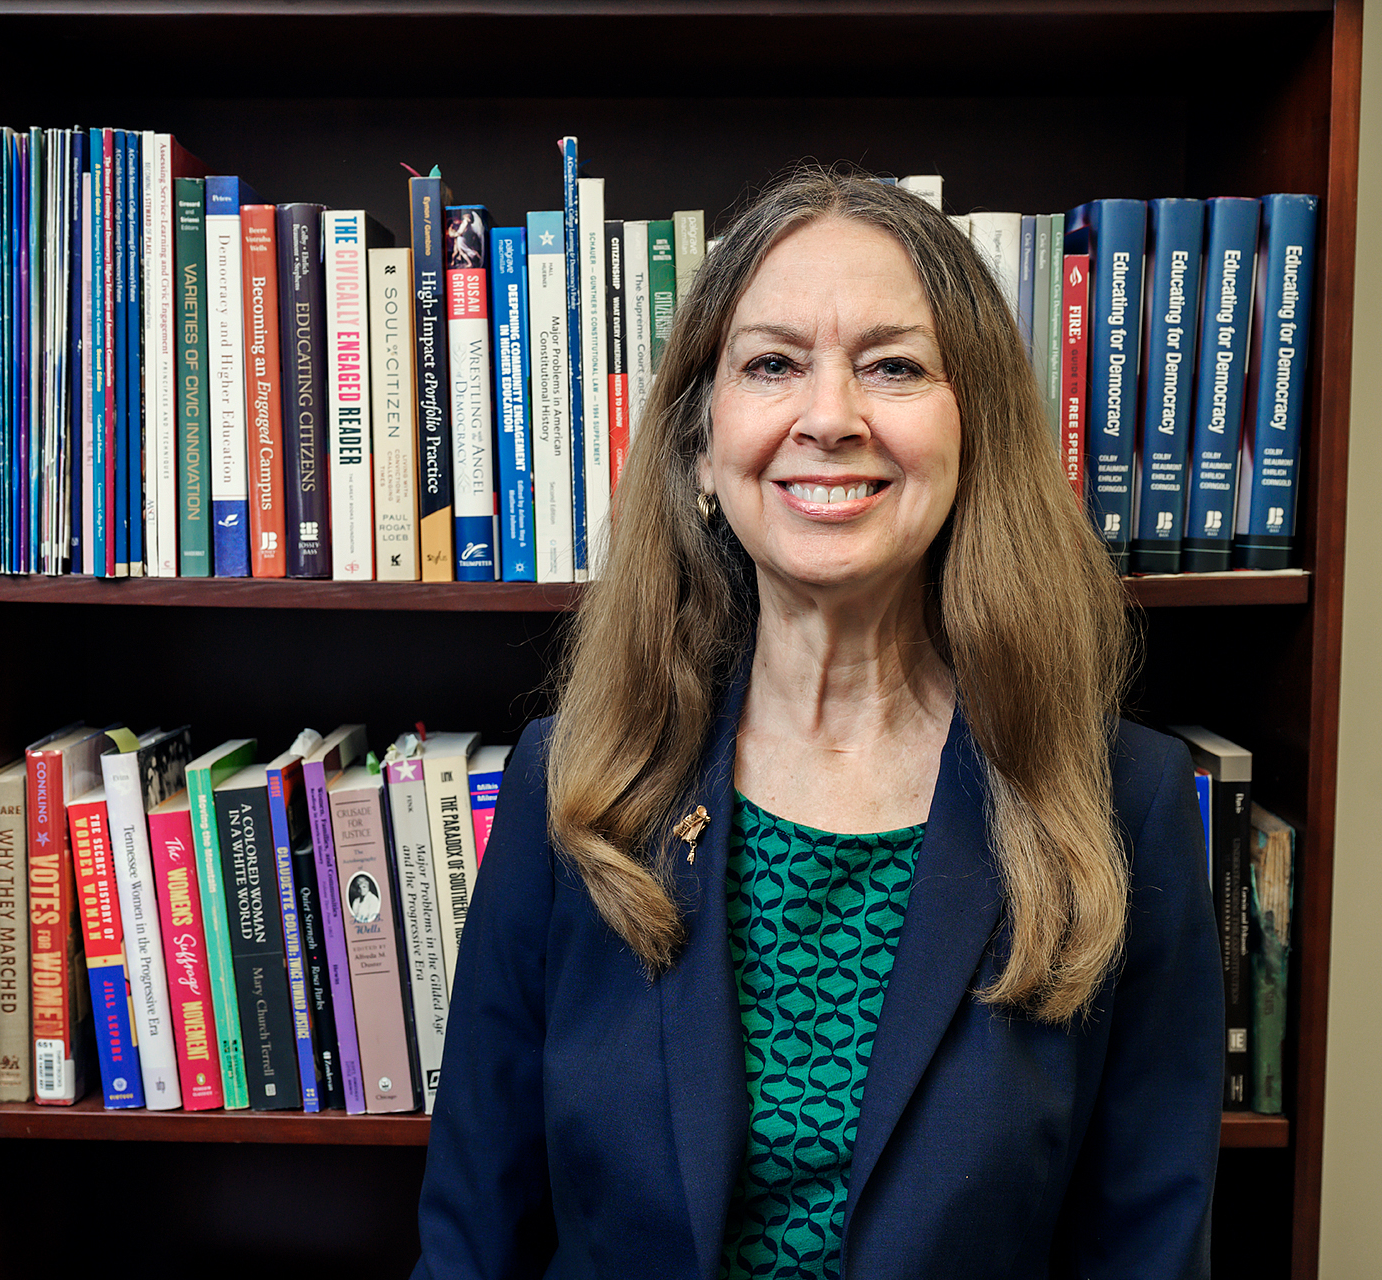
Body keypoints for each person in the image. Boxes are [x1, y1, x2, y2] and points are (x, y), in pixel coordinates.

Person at [411, 169, 1222, 1280]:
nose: (831, 416)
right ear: (702, 447)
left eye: (893, 364)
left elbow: (1146, 1251)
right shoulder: (576, 787)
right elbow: (469, 1244)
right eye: (772, 363)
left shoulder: (1121, 805)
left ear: (972, 433)